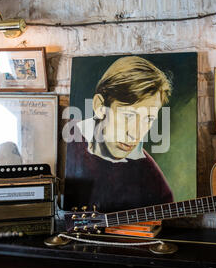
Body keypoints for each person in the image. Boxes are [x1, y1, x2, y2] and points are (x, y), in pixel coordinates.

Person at [64, 56, 174, 213]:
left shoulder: (151, 178)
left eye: (148, 119)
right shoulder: (67, 144)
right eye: (127, 115)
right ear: (100, 106)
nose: (134, 134)